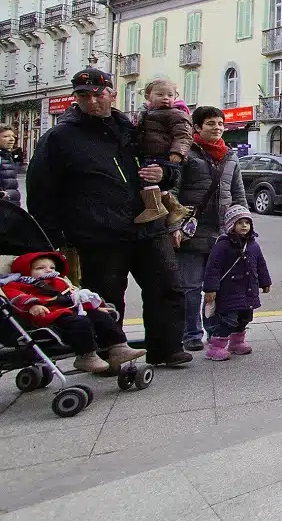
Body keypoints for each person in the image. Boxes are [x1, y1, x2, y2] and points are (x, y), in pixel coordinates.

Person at [26, 68, 190, 367]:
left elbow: (165, 167)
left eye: (97, 94)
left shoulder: (131, 128)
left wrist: (165, 172)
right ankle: (106, 353)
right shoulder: (60, 137)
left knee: (167, 287)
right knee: (105, 296)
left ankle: (166, 349)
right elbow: (40, 191)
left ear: (112, 94)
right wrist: (54, 239)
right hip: (99, 233)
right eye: (83, 96)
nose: (92, 102)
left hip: (147, 224)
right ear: (75, 98)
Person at [174, 106, 246, 351]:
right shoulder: (187, 154)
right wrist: (175, 225)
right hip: (192, 230)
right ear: (197, 127)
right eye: (210, 124)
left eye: (219, 123)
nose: (216, 128)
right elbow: (173, 191)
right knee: (191, 287)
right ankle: (191, 334)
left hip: (223, 234)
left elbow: (238, 193)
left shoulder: (230, 156)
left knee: (217, 288)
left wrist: (244, 223)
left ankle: (215, 332)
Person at [1, 251, 145, 373]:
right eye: (41, 267)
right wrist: (33, 305)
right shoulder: (17, 284)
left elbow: (76, 295)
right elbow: (16, 297)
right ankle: (86, 355)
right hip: (49, 316)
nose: (49, 270)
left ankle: (119, 347)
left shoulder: (59, 282)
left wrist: (94, 306)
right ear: (26, 270)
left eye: (52, 267)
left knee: (101, 316)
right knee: (79, 321)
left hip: (71, 310)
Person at [201, 206, 271, 361]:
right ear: (232, 225)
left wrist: (265, 282)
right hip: (230, 290)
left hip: (248, 290)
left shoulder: (253, 245)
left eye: (247, 222)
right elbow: (213, 268)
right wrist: (210, 289)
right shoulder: (223, 245)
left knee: (245, 317)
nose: (244, 225)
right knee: (228, 319)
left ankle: (236, 342)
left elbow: (261, 264)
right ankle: (216, 347)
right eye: (240, 222)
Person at [130, 79, 194, 226]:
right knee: (155, 182)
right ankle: (175, 207)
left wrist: (178, 152)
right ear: (148, 96)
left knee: (147, 177)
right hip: (150, 153)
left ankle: (154, 207)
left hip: (162, 154)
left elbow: (184, 136)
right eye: (160, 94)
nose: (166, 98)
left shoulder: (176, 114)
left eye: (170, 95)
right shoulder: (147, 113)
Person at [0, 125, 21, 206]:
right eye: (6, 136)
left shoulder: (6, 156)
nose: (12, 139)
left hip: (10, 208)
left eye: (13, 136)